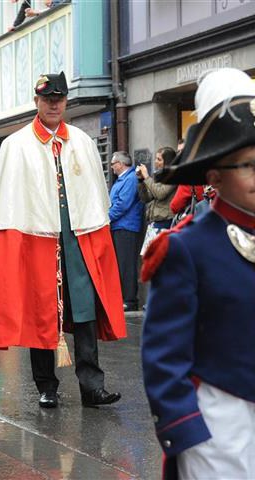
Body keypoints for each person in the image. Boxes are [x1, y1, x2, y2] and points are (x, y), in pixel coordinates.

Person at [0, 72, 126, 409]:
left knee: (84, 312)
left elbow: (97, 197)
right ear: (37, 102)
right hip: (36, 241)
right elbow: (7, 202)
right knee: (42, 312)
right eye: (47, 99)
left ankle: (92, 386)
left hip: (78, 239)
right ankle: (47, 386)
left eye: (59, 99)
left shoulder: (82, 142)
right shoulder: (16, 144)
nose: (54, 104)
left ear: (66, 101)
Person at [141, 68, 255, 480]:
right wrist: (186, 433)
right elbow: (163, 358)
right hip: (220, 425)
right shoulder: (187, 248)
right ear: (214, 176)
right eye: (247, 165)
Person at [109, 151, 144, 311]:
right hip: (120, 226)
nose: (111, 167)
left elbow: (122, 205)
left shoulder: (129, 179)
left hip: (127, 226)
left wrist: (106, 218)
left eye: (113, 163)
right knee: (121, 264)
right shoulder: (123, 179)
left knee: (127, 264)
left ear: (121, 164)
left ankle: (130, 300)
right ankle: (123, 297)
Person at [137, 147, 177, 255]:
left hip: (165, 221)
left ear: (167, 161)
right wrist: (141, 181)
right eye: (155, 158)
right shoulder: (159, 176)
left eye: (159, 159)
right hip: (154, 222)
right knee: (148, 257)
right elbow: (146, 198)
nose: (155, 162)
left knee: (159, 257)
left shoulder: (173, 176)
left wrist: (146, 177)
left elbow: (160, 193)